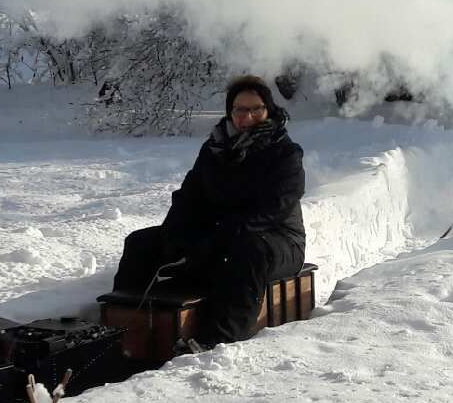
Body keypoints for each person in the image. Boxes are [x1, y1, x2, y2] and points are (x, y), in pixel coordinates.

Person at [112, 75, 307, 346]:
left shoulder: (284, 152)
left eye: (256, 109)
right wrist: (176, 234)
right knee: (142, 243)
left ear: (268, 110)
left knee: (246, 250)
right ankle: (120, 330)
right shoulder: (214, 149)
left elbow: (276, 208)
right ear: (230, 111)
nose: (247, 116)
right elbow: (188, 197)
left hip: (277, 240)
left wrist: (222, 235)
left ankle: (216, 340)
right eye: (239, 109)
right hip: (218, 236)